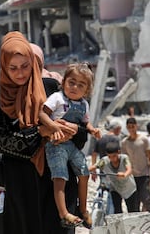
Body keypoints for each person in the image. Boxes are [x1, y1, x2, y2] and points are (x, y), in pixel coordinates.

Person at [0, 31, 85, 234]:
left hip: (56, 177)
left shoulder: (51, 87)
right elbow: (4, 141)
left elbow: (78, 130)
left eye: (25, 66)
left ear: (33, 62)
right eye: (13, 68)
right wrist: (41, 131)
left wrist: (75, 130)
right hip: (19, 184)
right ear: (4, 66)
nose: (20, 73)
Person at [40, 62, 102, 228]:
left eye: (80, 85)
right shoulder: (57, 98)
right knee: (60, 177)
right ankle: (63, 212)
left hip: (71, 145)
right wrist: (53, 126)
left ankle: (83, 208)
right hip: (56, 145)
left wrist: (92, 130)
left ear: (87, 90)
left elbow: (85, 123)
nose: (74, 87)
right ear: (64, 82)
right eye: (71, 82)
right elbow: (42, 114)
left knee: (84, 172)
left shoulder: (84, 105)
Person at [89, 142, 137, 213]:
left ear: (118, 152)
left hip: (129, 189)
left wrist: (124, 174)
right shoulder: (104, 161)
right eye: (109, 157)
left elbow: (129, 169)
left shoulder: (124, 158)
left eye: (114, 156)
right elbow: (94, 167)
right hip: (115, 188)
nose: (112, 159)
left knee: (133, 210)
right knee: (117, 210)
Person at [120, 117, 150, 212]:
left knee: (146, 199)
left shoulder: (143, 140)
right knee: (134, 202)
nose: (131, 129)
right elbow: (124, 160)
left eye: (133, 126)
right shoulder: (124, 143)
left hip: (144, 174)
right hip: (131, 176)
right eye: (129, 127)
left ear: (136, 126)